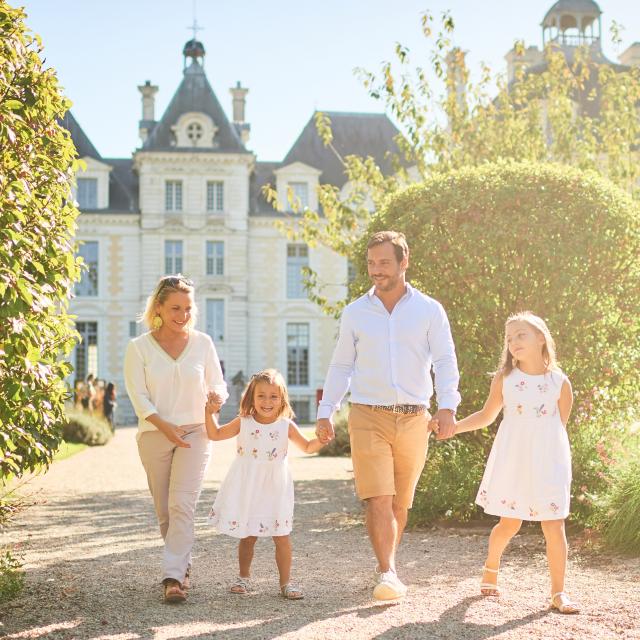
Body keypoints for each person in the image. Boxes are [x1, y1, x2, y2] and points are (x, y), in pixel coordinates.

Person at [316, 230, 461, 601]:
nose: (376, 270)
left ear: (403, 261)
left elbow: (444, 360)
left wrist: (447, 406)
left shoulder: (430, 310)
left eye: (383, 262)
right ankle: (388, 571)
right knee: (378, 498)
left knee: (400, 502)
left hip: (415, 418)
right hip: (368, 414)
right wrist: (325, 411)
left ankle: (388, 564)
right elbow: (341, 365)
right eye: (370, 263)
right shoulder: (355, 312)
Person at [433, 312, 579, 614]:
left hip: (549, 460)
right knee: (509, 523)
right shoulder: (506, 379)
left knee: (554, 524)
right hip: (514, 458)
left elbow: (558, 426)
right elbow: (487, 416)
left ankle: (558, 592)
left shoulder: (560, 383)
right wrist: (453, 427)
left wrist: (546, 452)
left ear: (541, 337)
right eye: (509, 338)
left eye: (520, 335)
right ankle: (491, 567)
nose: (513, 343)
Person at [124, 274, 227, 604]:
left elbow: (219, 384)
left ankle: (172, 578)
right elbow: (139, 398)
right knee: (166, 511)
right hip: (155, 434)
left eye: (188, 308)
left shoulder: (203, 343)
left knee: (182, 504)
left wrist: (216, 399)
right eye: (175, 308)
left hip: (196, 432)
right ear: (158, 307)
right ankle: (181, 565)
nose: (183, 315)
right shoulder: (138, 348)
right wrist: (166, 427)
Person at [205, 368, 325, 599]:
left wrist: (322, 439)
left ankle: (286, 583)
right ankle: (243, 578)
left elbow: (308, 447)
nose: (267, 401)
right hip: (248, 487)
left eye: (273, 396)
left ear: (282, 399)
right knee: (248, 535)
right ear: (251, 397)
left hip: (275, 488)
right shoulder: (244, 422)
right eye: (261, 396)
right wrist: (209, 412)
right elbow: (215, 434)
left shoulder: (286, 425)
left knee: (281, 536)